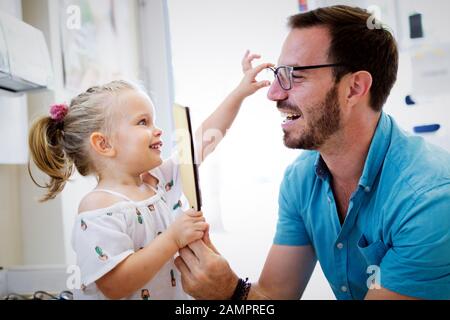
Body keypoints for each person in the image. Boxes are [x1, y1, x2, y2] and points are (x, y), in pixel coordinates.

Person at [175, 5, 450, 300]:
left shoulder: (430, 200)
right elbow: (272, 296)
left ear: (354, 88)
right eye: (277, 74)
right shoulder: (302, 178)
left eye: (295, 75)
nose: (273, 94)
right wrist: (222, 283)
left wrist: (230, 294)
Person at [28, 52, 272, 300]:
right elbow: (115, 285)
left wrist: (239, 92)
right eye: (143, 122)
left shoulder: (158, 181)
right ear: (104, 144)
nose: (158, 130)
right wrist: (173, 238)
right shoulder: (98, 206)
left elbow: (203, 140)